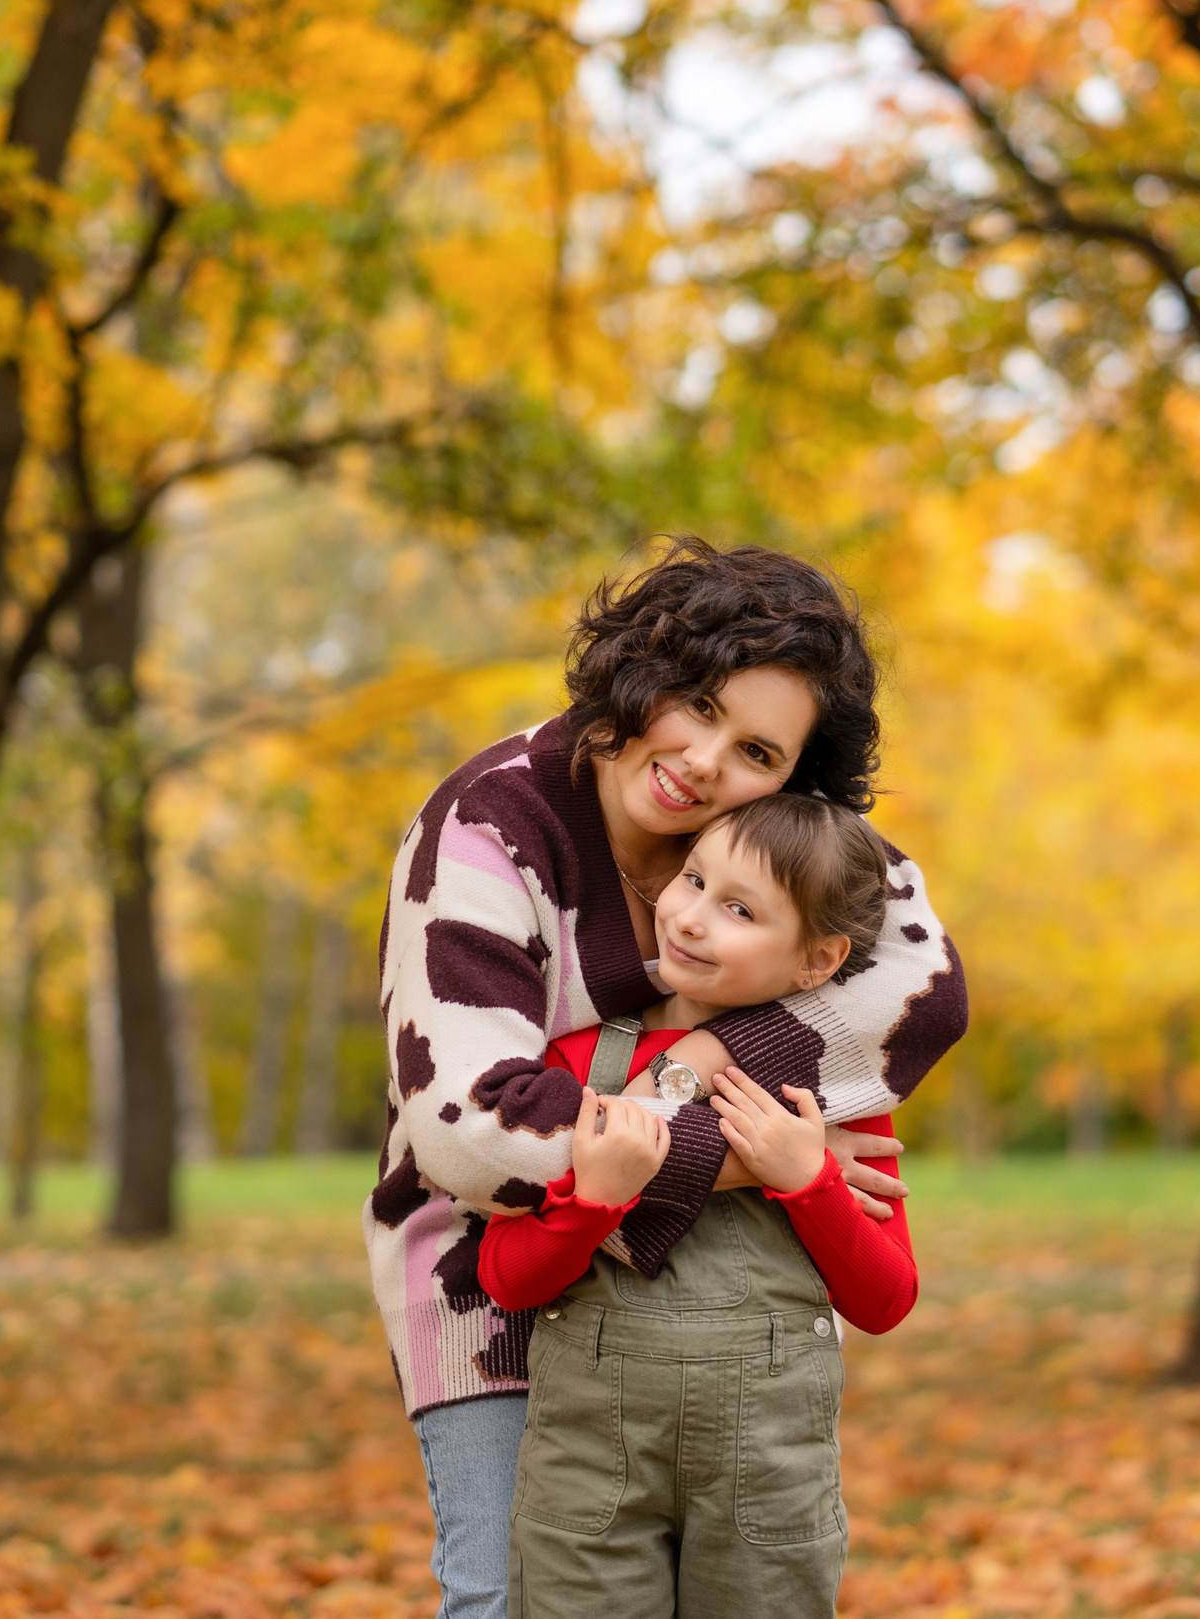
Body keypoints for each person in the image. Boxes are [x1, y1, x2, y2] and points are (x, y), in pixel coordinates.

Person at [363, 538, 966, 1619]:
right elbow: (474, 1133)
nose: (703, 762)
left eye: (757, 751)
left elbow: (926, 989)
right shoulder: (489, 826)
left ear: (795, 777)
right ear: (643, 668)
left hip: (723, 1334)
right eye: (696, 702)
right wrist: (759, 1156)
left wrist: (702, 1065)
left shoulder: (774, 838)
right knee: (509, 1598)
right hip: (489, 1269)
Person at [481, 795, 912, 1618]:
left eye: (740, 910)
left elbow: (886, 1298)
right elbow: (506, 1277)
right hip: (588, 1478)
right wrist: (593, 1201)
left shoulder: (837, 1099)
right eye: (693, 878)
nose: (689, 917)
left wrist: (808, 1177)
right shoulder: (576, 1063)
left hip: (769, 1482)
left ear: (817, 959)